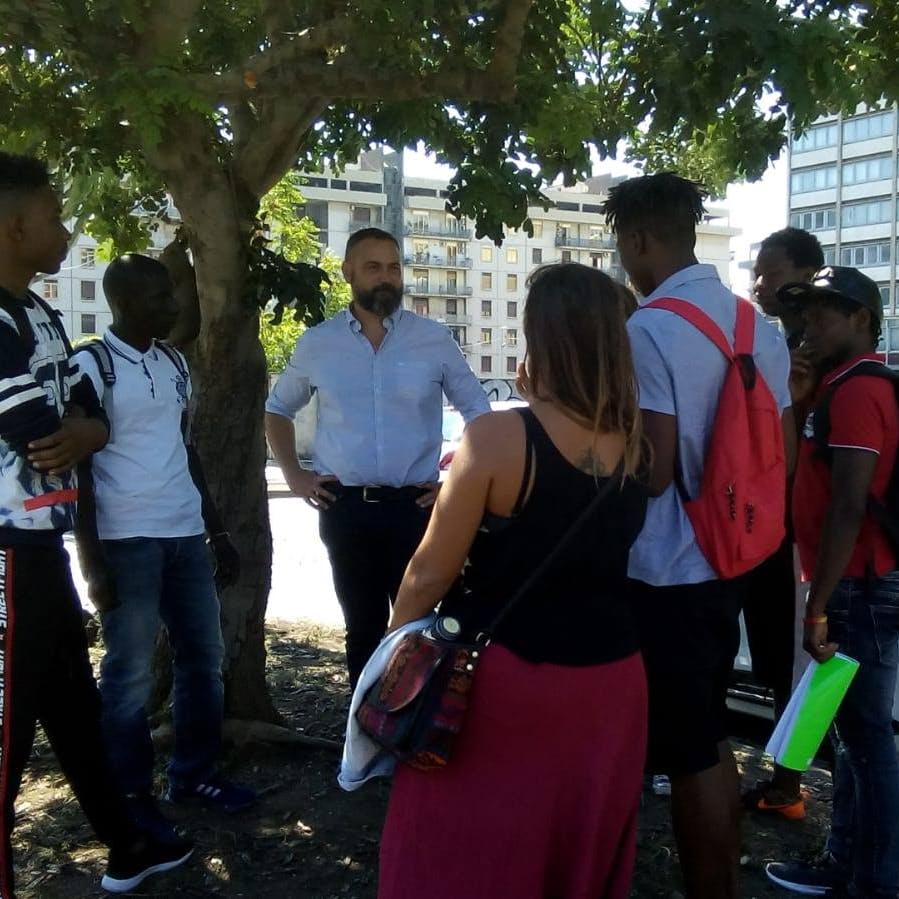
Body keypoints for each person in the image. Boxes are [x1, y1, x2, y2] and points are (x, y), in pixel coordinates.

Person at [377, 263, 649, 899]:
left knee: (464, 847)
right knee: (573, 847)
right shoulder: (637, 444)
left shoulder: (498, 436)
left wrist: (392, 658)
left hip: (503, 686)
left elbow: (427, 574)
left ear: (541, 338)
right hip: (612, 683)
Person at [0, 152, 192, 895]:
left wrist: (89, 431)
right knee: (13, 725)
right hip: (9, 552)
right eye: (54, 216)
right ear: (16, 226)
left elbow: (83, 427)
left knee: (72, 710)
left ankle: (126, 844)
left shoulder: (40, 315)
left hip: (41, 544)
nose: (68, 230)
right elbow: (41, 430)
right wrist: (84, 430)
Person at [603, 173, 792, 899]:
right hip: (737, 552)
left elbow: (649, 471)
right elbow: (779, 449)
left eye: (624, 243)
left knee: (687, 746)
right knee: (704, 726)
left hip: (667, 566)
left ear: (640, 239)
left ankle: (710, 889)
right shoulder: (756, 326)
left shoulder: (647, 328)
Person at [73, 254, 254, 842]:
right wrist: (90, 556)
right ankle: (129, 796)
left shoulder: (173, 362)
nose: (175, 307)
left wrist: (218, 530)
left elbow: (186, 448)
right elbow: (76, 468)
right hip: (126, 540)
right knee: (126, 676)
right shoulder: (91, 365)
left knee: (204, 659)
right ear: (124, 301)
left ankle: (194, 775)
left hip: (184, 535)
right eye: (161, 297)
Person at [265, 227, 489, 688]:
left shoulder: (434, 340)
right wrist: (294, 475)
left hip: (417, 511)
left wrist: (457, 485)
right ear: (348, 272)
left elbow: (481, 416)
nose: (386, 277)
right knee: (362, 632)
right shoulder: (318, 344)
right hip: (345, 510)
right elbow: (277, 409)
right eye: (373, 267)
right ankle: (366, 744)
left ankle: (422, 738)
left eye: (393, 267)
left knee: (423, 633)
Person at [766, 267, 899, 899]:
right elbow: (798, 472)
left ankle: (872, 878)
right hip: (857, 582)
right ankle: (847, 864)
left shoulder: (857, 392)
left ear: (863, 321)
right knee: (853, 738)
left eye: (826, 313)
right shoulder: (832, 389)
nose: (809, 325)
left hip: (859, 586)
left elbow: (850, 503)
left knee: (866, 743)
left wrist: (816, 605)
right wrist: (796, 399)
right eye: (806, 313)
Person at [742, 227, 824, 820]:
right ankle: (784, 780)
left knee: (802, 660)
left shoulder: (823, 349)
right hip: (776, 523)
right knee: (778, 656)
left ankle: (791, 782)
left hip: (807, 532)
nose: (760, 285)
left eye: (770, 274)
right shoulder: (783, 344)